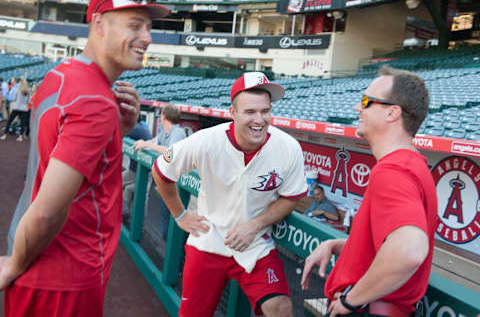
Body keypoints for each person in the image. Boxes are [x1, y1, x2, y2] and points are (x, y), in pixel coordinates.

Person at [0, 0, 169, 317]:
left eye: (149, 27)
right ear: (98, 24)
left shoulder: (61, 75)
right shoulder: (95, 100)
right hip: (62, 278)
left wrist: (115, 133)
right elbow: (48, 211)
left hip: (42, 263)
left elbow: (61, 161)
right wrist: (15, 263)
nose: (147, 38)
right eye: (134, 25)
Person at [152, 72, 308, 317]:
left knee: (281, 309)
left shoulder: (288, 147)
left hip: (255, 244)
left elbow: (292, 196)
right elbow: (161, 170)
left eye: (265, 111)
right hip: (208, 239)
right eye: (250, 112)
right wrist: (180, 214)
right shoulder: (205, 140)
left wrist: (255, 225)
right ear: (232, 113)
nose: (260, 119)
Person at [301, 66, 437, 317]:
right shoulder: (412, 163)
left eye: (365, 101)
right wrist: (337, 244)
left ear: (391, 113)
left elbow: (409, 251)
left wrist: (351, 301)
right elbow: (384, 246)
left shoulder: (394, 170)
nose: (357, 108)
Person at [135, 103, 186, 239]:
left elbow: (170, 152)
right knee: (166, 228)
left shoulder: (178, 132)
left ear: (164, 117)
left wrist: (146, 144)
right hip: (167, 183)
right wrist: (143, 142)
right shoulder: (165, 132)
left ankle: (180, 257)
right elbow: (155, 141)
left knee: (175, 227)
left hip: (179, 186)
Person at [0, 77, 30, 142]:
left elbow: (14, 98)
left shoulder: (17, 89)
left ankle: (4, 135)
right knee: (22, 123)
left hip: (17, 107)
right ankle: (21, 136)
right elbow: (28, 100)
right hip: (24, 108)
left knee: (10, 121)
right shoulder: (28, 90)